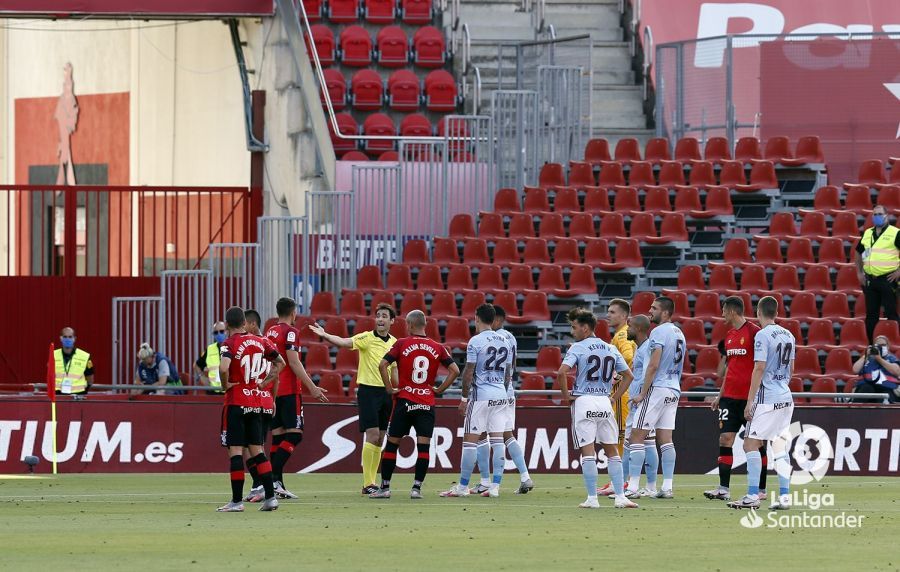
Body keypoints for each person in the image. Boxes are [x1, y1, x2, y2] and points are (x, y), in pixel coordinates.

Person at [369, 310, 460, 499]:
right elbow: (455, 370)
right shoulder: (438, 347)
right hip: (426, 403)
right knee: (423, 447)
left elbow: (382, 365)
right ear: (425, 325)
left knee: (392, 444)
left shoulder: (401, 343)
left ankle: (385, 488)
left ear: (409, 325)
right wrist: (439, 389)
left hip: (404, 400)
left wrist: (389, 388)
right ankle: (416, 489)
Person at [309, 303, 397, 494]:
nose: (380, 319)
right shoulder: (366, 338)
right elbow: (343, 342)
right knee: (372, 434)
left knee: (381, 438)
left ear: (392, 321)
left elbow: (395, 371)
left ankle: (372, 481)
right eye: (378, 315)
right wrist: (325, 335)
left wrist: (397, 389)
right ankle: (368, 483)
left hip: (386, 393)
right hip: (368, 392)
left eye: (384, 316)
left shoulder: (394, 343)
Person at [557, 308, 636, 509]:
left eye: (574, 327)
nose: (572, 331)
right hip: (604, 402)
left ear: (585, 328)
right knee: (612, 451)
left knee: (588, 452)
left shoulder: (578, 347)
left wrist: (566, 396)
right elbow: (629, 375)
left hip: (584, 401)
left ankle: (592, 498)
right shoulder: (610, 348)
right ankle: (620, 497)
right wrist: (614, 398)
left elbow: (561, 373)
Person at [728, 296, 796, 510]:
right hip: (785, 396)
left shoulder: (762, 335)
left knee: (750, 443)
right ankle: (784, 497)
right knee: (780, 446)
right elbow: (791, 368)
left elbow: (759, 367)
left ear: (758, 312)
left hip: (767, 398)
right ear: (776, 312)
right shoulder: (789, 335)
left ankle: (752, 495)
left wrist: (750, 401)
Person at [217, 306, 285, 513]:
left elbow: (223, 367)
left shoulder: (229, 343)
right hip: (256, 402)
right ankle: (271, 498)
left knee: (236, 451)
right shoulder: (261, 341)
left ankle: (236, 501)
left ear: (227, 324)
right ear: (244, 323)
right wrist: (265, 383)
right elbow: (280, 363)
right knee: (258, 451)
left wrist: (225, 385)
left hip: (237, 401)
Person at [441, 304, 511, 498]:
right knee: (497, 440)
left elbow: (468, 372)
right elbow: (508, 374)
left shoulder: (475, 341)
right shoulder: (504, 341)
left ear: (477, 318)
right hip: (501, 395)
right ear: (493, 319)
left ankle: (463, 487)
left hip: (481, 396)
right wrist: (501, 391)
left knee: (470, 442)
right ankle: (495, 487)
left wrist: (464, 398)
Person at [263, 298, 328, 501]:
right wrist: (312, 387)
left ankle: (277, 484)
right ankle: (270, 478)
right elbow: (293, 362)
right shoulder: (291, 332)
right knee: (295, 435)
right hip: (290, 390)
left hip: (273, 390)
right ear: (293, 313)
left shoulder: (270, 331)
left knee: (278, 437)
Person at [704, 296, 766, 501]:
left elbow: (761, 365)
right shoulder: (730, 336)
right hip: (729, 398)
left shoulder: (755, 333)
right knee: (725, 439)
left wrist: (755, 397)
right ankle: (723, 489)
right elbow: (730, 369)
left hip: (749, 398)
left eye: (723, 310)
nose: (722, 314)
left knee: (757, 443)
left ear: (731, 311)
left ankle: (761, 489)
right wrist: (719, 395)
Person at [627, 296, 686, 499]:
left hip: (657, 388)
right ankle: (667, 487)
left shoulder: (658, 332)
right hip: (673, 389)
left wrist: (643, 392)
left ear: (666, 312)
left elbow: (653, 364)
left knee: (636, 435)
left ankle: (632, 487)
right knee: (665, 439)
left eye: (654, 308)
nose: (650, 311)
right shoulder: (679, 333)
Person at [598, 298, 636, 497]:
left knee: (620, 437)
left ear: (623, 315)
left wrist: (616, 375)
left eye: (612, 312)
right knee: (618, 437)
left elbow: (629, 357)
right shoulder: (620, 334)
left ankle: (620, 481)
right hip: (622, 391)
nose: (608, 315)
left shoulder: (622, 335)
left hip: (622, 394)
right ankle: (617, 479)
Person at [621, 314, 660, 499]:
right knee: (648, 441)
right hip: (640, 399)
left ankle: (629, 485)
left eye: (629, 327)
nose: (627, 330)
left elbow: (648, 373)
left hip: (641, 400)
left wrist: (641, 395)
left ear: (637, 328)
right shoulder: (641, 347)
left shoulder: (647, 348)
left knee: (633, 440)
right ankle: (650, 486)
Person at [855, 205, 900, 343]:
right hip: (870, 280)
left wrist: (899, 272)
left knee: (891, 314)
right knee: (871, 316)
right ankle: (871, 345)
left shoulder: (895, 233)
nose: (877, 217)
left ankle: (896, 344)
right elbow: (858, 252)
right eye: (874, 214)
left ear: (887, 215)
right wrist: (859, 272)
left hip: (888, 279)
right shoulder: (868, 233)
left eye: (880, 214)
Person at [851, 334, 900, 403]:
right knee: (867, 388)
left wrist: (879, 359)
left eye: (883, 345)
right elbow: (855, 370)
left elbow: (897, 371)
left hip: (886, 388)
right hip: (867, 387)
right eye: (878, 345)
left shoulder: (892, 358)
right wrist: (865, 355)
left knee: (884, 395)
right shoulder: (867, 358)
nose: (880, 347)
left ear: (888, 347)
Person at [54, 327, 93, 396]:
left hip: (79, 395)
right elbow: (50, 376)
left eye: (70, 337)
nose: (67, 339)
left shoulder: (85, 356)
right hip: (58, 395)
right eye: (65, 337)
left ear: (74, 338)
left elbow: (90, 378)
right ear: (61, 338)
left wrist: (84, 390)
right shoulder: (53, 355)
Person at [194, 322, 227, 394]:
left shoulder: (234, 347)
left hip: (230, 392)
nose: (219, 334)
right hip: (213, 392)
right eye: (216, 332)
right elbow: (196, 365)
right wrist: (202, 377)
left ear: (227, 331)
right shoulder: (210, 349)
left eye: (221, 331)